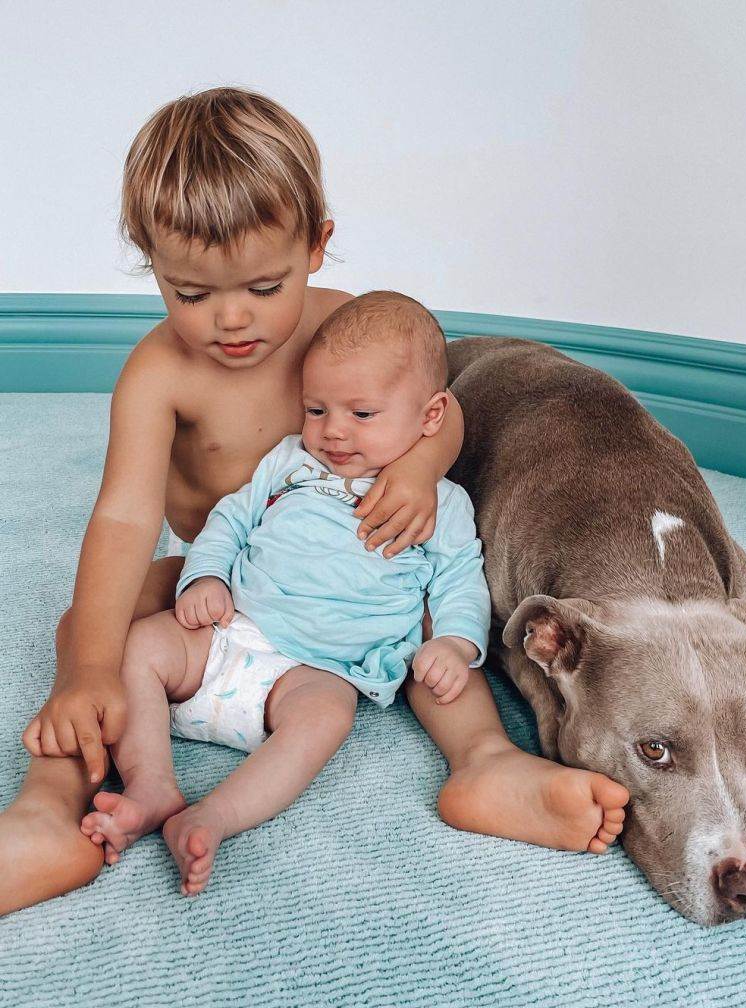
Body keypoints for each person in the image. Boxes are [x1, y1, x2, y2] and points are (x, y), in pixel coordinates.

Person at [0, 87, 627, 916]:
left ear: (316, 245)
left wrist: (417, 471)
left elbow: (437, 407)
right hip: (229, 569)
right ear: (150, 263)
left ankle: (484, 761)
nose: (231, 320)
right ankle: (50, 808)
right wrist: (88, 669)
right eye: (190, 293)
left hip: (362, 560)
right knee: (87, 628)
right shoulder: (159, 374)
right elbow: (123, 516)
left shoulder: (345, 328)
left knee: (432, 624)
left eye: (265, 285)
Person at [80, 291, 493, 895]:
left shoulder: (442, 503)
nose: (333, 431)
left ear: (430, 416)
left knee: (326, 719)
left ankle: (214, 817)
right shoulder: (289, 462)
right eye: (316, 409)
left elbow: (460, 578)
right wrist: (206, 578)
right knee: (142, 644)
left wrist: (455, 644)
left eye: (362, 414)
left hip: (318, 669)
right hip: (231, 629)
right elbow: (230, 520)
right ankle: (150, 786)